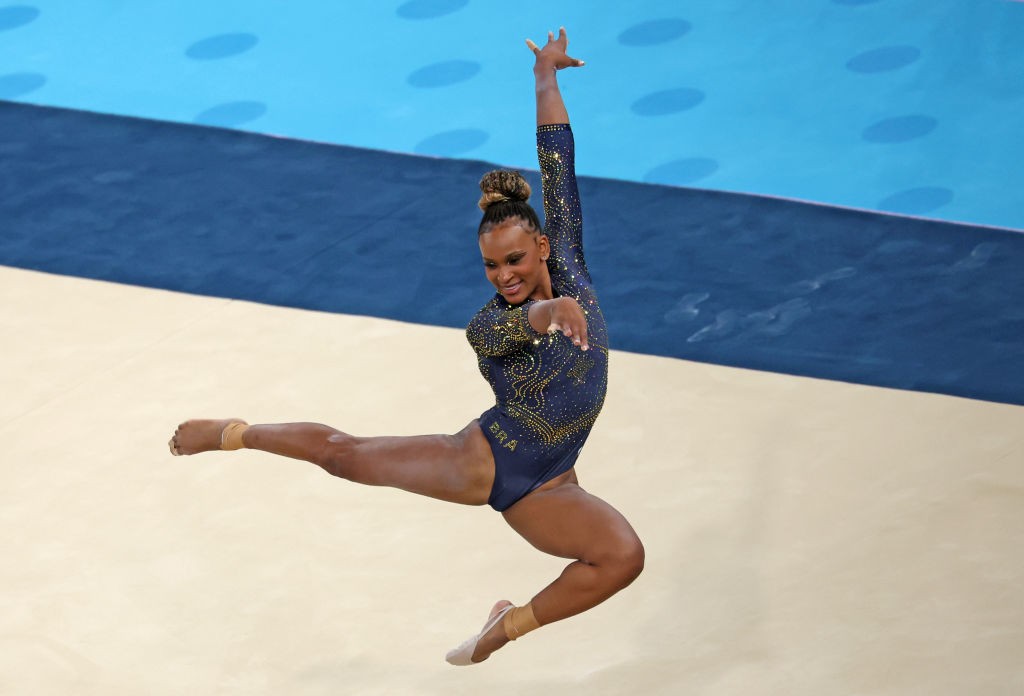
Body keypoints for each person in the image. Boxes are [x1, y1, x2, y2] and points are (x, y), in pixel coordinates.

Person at [168, 27, 643, 666]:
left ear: (544, 247)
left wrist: (545, 78)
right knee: (342, 456)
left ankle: (501, 627)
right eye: (489, 266)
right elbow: (520, 324)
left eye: (514, 260)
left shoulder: (574, 264)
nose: (504, 275)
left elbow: (559, 162)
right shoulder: (490, 325)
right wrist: (549, 308)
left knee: (622, 558)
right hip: (492, 464)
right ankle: (236, 432)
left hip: (554, 478)